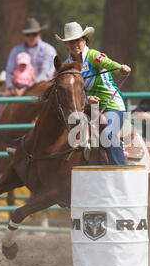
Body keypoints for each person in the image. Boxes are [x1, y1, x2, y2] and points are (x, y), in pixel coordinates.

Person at [55, 21, 131, 165]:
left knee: (108, 135)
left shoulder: (93, 55)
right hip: (85, 108)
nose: (75, 44)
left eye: (78, 40)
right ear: (66, 45)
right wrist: (87, 99)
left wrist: (120, 68)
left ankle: (122, 172)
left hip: (111, 106)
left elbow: (108, 63)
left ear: (85, 40)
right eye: (71, 41)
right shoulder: (67, 65)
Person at [5, 17, 56, 95]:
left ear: (39, 34)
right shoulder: (15, 51)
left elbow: (47, 74)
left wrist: (29, 88)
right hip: (17, 91)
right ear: (24, 35)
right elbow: (9, 72)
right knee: (2, 103)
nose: (31, 37)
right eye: (28, 34)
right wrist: (11, 87)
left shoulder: (49, 50)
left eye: (34, 34)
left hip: (42, 92)